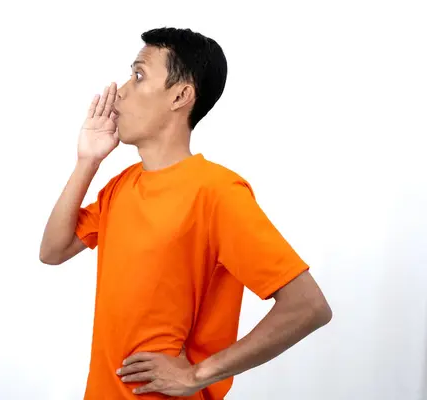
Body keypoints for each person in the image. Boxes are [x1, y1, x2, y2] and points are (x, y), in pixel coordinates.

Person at [39, 27, 332, 400]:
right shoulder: (120, 187)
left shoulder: (216, 192)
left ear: (180, 95)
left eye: (139, 75)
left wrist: (198, 374)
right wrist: (87, 161)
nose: (122, 90)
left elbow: (308, 307)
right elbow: (52, 251)